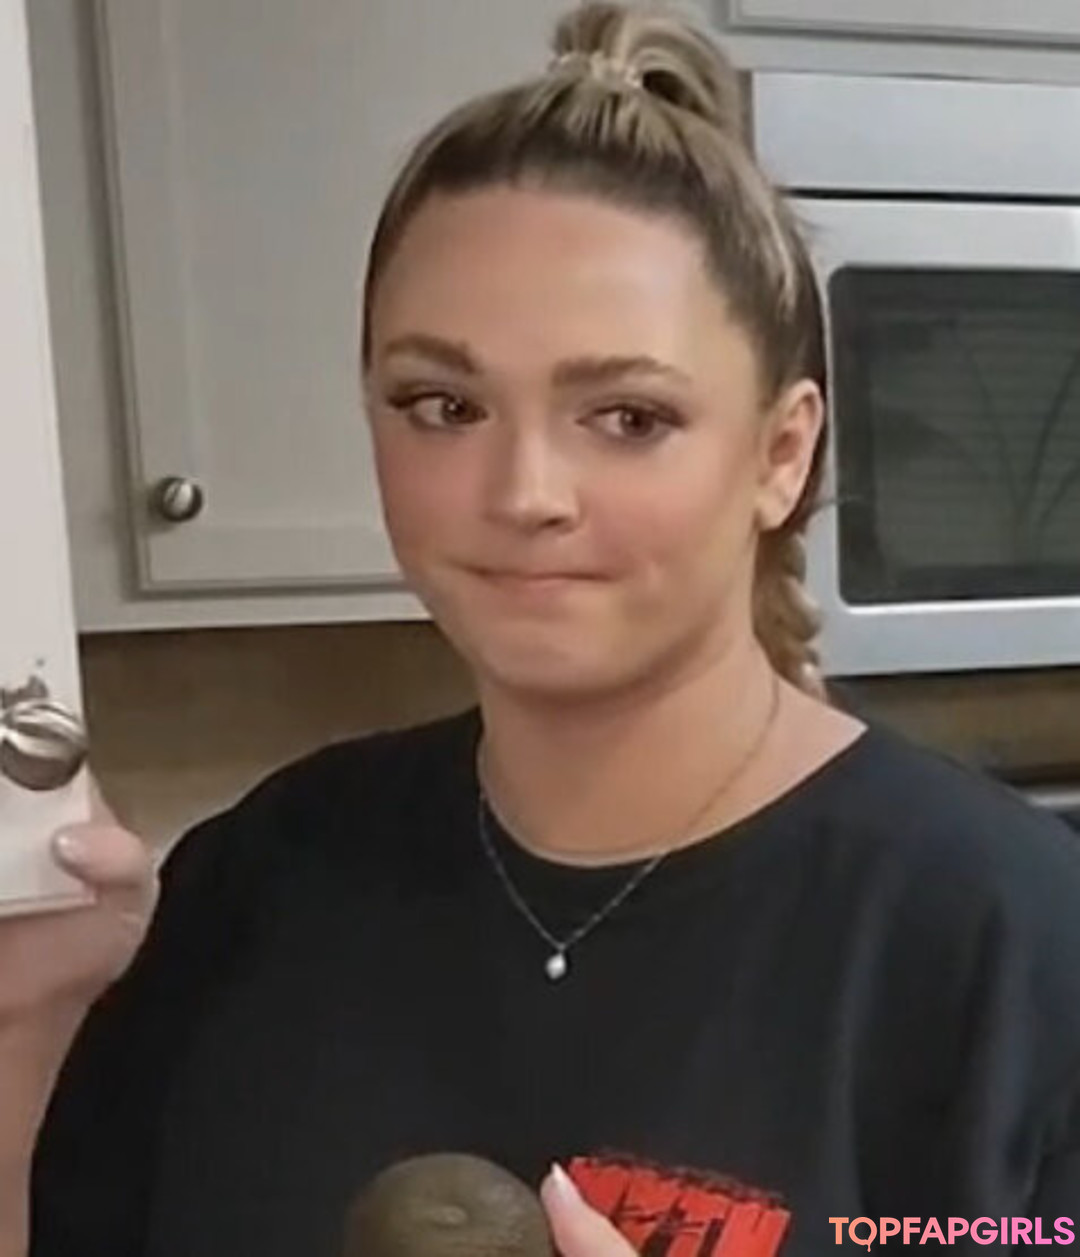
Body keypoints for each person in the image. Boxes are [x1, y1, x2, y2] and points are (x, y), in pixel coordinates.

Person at [2, 4, 1079, 1254]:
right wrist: (26, 1028)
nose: (523, 494)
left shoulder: (1013, 948)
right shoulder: (253, 886)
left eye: (627, 417)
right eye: (443, 404)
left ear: (781, 454)